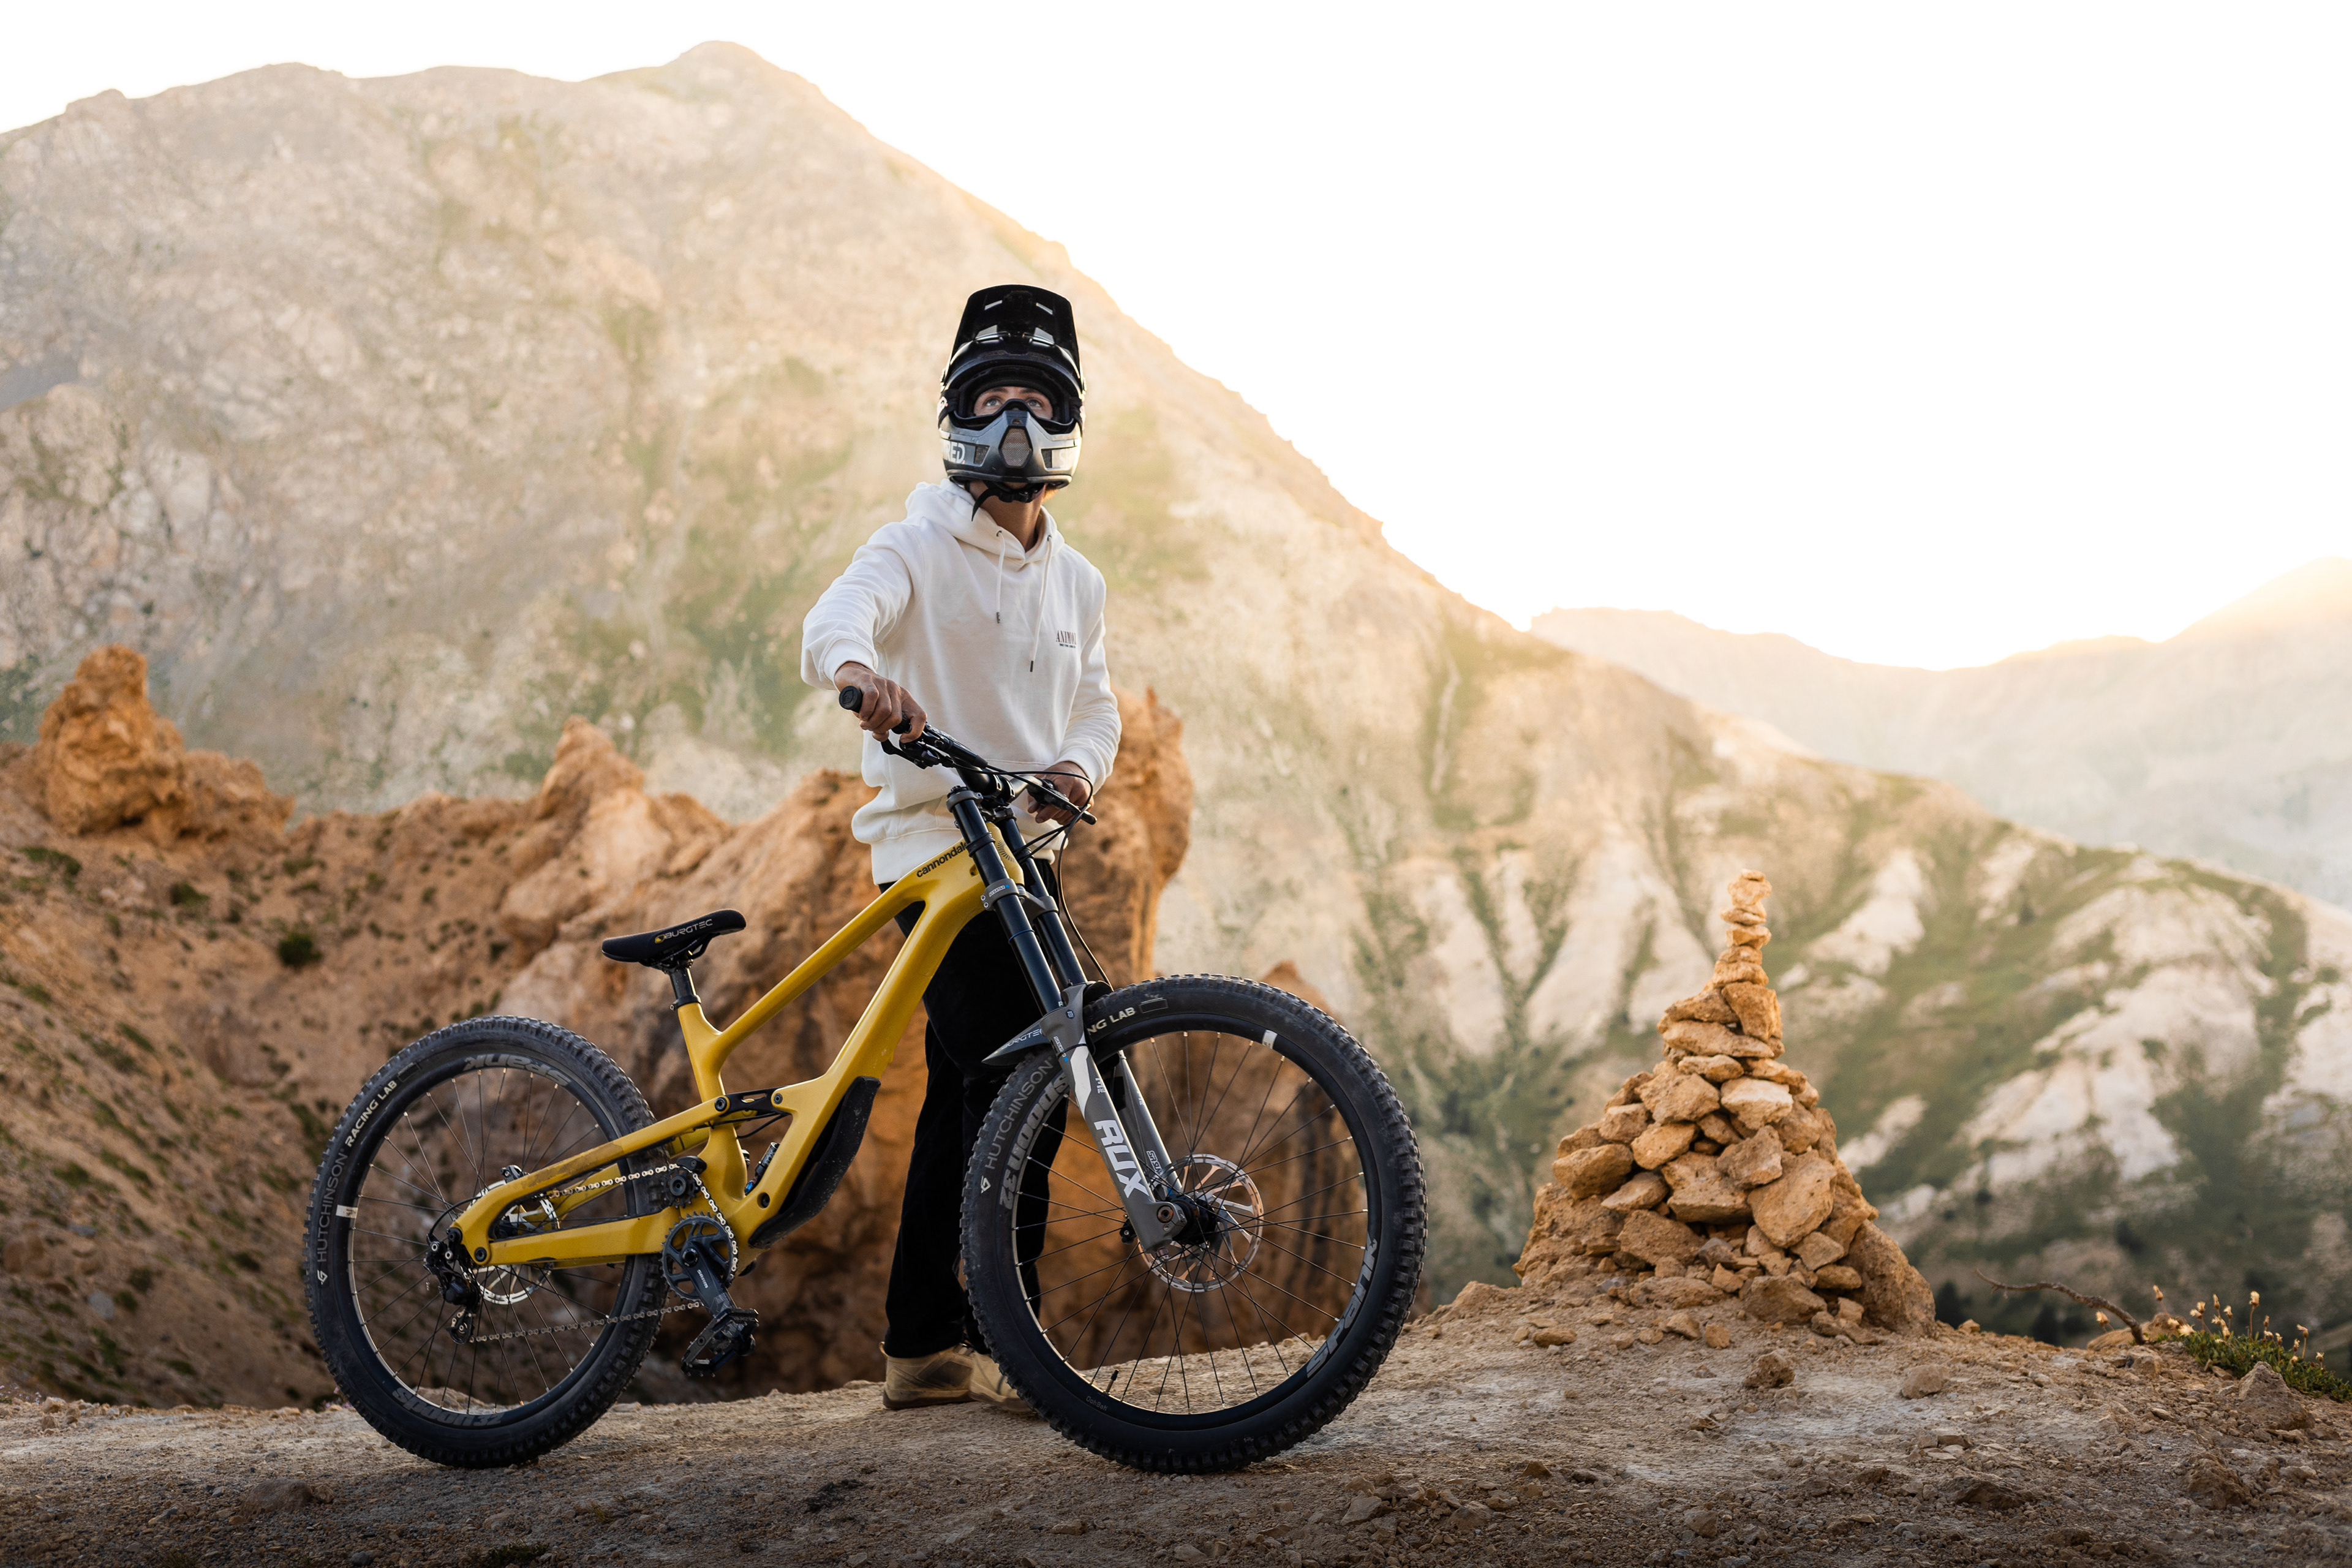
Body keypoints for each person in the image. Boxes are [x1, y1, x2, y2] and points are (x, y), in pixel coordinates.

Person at [799, 284, 1121, 1411]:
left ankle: (921, 1347)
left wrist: (1078, 769)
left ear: (1066, 422)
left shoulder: (1078, 581)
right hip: (936, 856)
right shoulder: (913, 545)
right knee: (1023, 1080)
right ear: (957, 417)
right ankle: (1010, 1339)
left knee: (968, 1091)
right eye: (993, 401)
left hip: (1028, 853)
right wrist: (860, 676)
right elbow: (834, 622)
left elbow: (1097, 706)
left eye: (1036, 401)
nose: (1015, 425)